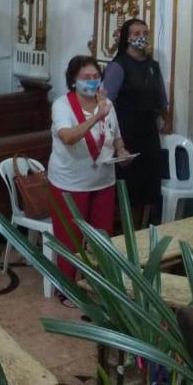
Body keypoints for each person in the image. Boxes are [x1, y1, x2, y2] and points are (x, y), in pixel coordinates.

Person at [50, 55, 132, 286]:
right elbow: (67, 137)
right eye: (86, 77)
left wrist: (122, 151)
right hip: (70, 184)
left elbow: (116, 136)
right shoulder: (62, 105)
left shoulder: (107, 105)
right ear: (74, 81)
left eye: (96, 77)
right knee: (70, 240)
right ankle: (66, 289)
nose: (93, 82)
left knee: (102, 238)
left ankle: (98, 286)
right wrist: (97, 116)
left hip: (103, 182)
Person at [104, 18, 169, 227]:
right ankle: (128, 235)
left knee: (148, 189)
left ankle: (142, 232)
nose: (141, 37)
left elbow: (161, 98)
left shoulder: (152, 66)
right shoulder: (118, 66)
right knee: (130, 189)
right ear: (127, 38)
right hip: (126, 134)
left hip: (148, 134)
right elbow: (106, 103)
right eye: (136, 33)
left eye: (144, 32)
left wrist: (166, 120)